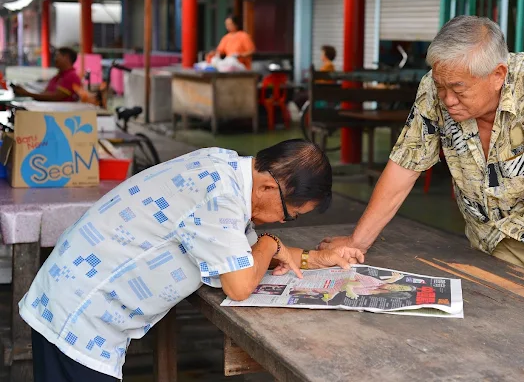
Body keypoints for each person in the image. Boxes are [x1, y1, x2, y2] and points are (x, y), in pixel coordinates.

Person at [319, 15, 524, 300]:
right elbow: (405, 164)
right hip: (496, 234)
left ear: (497, 75)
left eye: (459, 89)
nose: (447, 99)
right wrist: (357, 243)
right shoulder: (434, 88)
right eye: (441, 87)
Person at [19, 140, 364, 382]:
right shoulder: (222, 198)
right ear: (268, 188)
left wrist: (317, 258)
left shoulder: (225, 168)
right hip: (80, 316)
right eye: (289, 215)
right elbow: (240, 284)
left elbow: (242, 251)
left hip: (73, 297)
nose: (281, 223)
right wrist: (271, 243)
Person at [13, 47, 81, 102]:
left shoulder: (71, 76)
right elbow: (46, 93)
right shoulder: (58, 76)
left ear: (66, 57)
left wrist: (27, 94)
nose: (55, 59)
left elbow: (55, 97)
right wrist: (26, 92)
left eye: (57, 56)